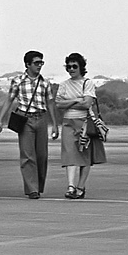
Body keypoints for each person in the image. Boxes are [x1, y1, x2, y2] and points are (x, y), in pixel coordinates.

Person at [0, 50, 57, 199]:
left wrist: (54, 125)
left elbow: (50, 103)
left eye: (41, 63)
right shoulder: (18, 81)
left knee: (41, 155)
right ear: (27, 64)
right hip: (25, 119)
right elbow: (9, 99)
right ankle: (32, 188)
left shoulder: (45, 82)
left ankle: (38, 185)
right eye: (36, 63)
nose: (39, 66)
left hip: (41, 118)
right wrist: (0, 120)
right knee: (28, 155)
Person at [56, 52, 106, 199]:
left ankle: (81, 186)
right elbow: (58, 104)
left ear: (81, 67)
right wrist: (76, 101)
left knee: (85, 157)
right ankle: (71, 186)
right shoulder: (63, 84)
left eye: (74, 66)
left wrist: (70, 103)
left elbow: (87, 103)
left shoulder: (87, 83)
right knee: (69, 154)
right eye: (69, 66)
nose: (71, 69)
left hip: (84, 122)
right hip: (68, 122)